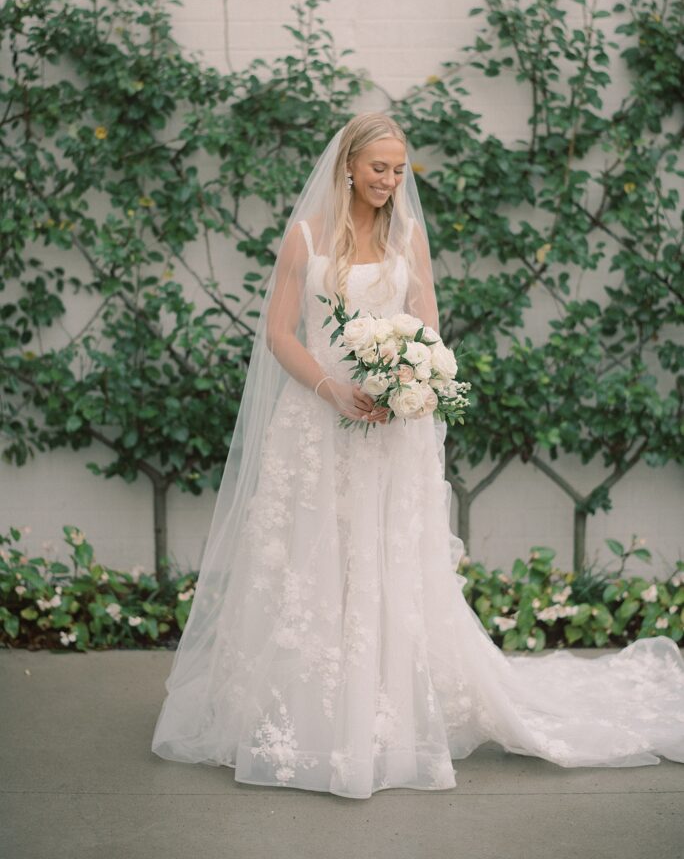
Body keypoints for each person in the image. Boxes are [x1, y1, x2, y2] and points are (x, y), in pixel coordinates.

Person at [151, 112, 684, 798]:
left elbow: (429, 332)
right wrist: (331, 389)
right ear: (349, 165)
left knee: (382, 558)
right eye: (380, 168)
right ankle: (301, 712)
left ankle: (383, 709)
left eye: (400, 170)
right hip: (315, 426)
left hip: (389, 434)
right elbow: (281, 335)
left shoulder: (407, 241)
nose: (390, 181)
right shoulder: (305, 238)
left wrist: (412, 378)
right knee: (310, 556)